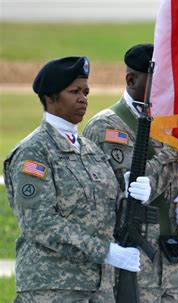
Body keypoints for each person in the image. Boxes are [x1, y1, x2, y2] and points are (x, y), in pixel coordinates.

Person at [3, 56, 152, 302]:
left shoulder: (90, 150)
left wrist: (131, 191)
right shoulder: (35, 151)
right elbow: (39, 223)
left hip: (98, 288)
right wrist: (105, 251)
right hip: (52, 287)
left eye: (86, 91)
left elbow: (105, 209)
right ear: (50, 98)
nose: (83, 98)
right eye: (74, 92)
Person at [83, 44, 178, 302]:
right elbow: (129, 187)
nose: (167, 91)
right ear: (131, 80)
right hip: (134, 267)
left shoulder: (172, 127)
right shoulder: (107, 127)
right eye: (158, 83)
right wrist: (175, 148)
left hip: (175, 269)